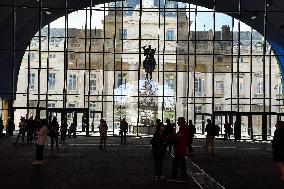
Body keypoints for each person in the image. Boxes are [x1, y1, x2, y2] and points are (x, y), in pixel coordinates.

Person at [170, 117, 189, 182]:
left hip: (180, 148)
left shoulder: (184, 128)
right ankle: (176, 177)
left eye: (178, 121)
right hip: (180, 148)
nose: (177, 122)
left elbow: (176, 136)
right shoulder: (183, 128)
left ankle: (182, 178)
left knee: (180, 163)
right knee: (179, 163)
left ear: (182, 121)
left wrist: (173, 128)